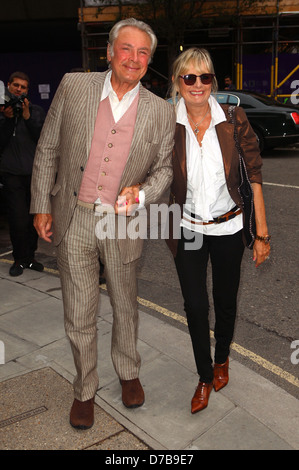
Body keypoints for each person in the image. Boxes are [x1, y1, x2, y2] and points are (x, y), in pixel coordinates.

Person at [30, 18, 176, 430]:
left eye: (143, 52)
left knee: (126, 305)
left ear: (150, 60)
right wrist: (41, 204)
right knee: (79, 310)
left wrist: (144, 195)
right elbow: (49, 146)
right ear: (109, 52)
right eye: (126, 49)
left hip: (122, 221)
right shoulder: (74, 86)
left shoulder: (161, 112)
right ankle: (85, 389)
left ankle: (128, 371)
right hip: (74, 215)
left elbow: (164, 170)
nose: (134, 58)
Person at [166, 48, 270, 414]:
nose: (197, 84)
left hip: (228, 225)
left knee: (226, 301)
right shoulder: (167, 121)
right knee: (195, 306)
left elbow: (254, 174)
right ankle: (205, 376)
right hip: (187, 227)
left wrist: (262, 233)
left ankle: (222, 357)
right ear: (178, 82)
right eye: (189, 77)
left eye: (205, 76)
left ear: (213, 79)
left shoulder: (232, 117)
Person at [0, 72, 45, 276]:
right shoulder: (2, 113)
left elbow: (43, 140)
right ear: (8, 86)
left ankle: (30, 257)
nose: (19, 89)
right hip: (11, 175)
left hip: (34, 175)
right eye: (16, 85)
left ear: (28, 91)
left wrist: (26, 117)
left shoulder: (35, 112)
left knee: (33, 219)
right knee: (18, 219)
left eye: (23, 87)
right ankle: (19, 258)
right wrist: (8, 120)